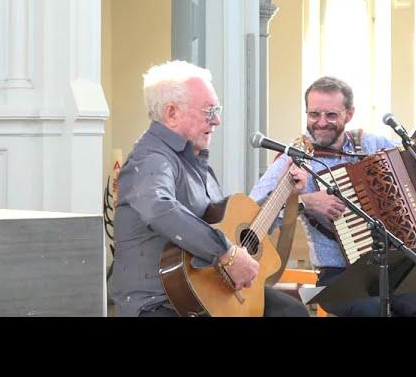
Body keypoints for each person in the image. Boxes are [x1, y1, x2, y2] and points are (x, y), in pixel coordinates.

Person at [250, 76, 416, 317]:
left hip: (393, 266)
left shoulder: (371, 144)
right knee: (373, 311)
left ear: (349, 114)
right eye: (314, 114)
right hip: (336, 274)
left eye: (331, 115)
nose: (321, 123)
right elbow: (255, 215)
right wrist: (304, 203)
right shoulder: (293, 158)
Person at [112, 60, 310, 317]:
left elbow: (237, 232)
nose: (217, 120)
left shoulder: (196, 162)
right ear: (171, 113)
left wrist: (286, 197)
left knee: (290, 312)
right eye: (209, 110)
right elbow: (159, 208)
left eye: (217, 110)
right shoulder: (151, 158)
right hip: (159, 303)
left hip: (209, 294)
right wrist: (226, 253)